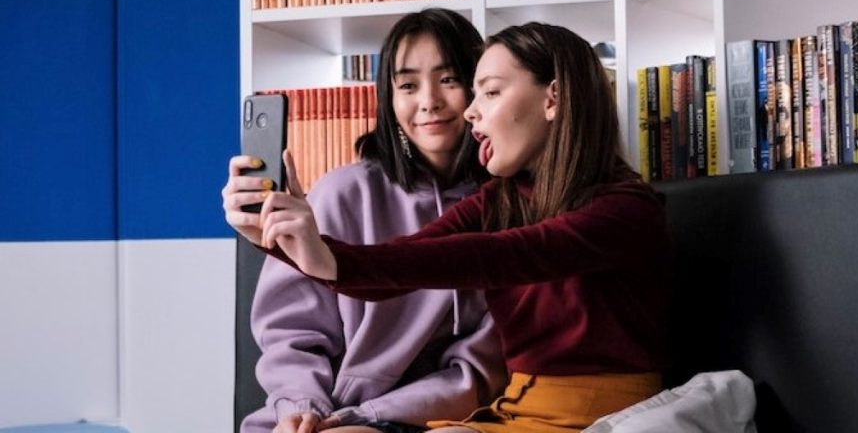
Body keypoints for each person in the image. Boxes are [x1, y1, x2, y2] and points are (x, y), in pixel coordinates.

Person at [229, 22, 672, 433]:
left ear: (552, 99)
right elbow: (407, 259)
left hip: (599, 415)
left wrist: (326, 257)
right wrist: (291, 246)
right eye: (474, 94)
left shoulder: (626, 208)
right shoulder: (503, 198)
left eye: (490, 93)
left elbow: (495, 256)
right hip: (511, 410)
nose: (471, 114)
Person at [224, 8, 507, 433]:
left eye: (449, 80)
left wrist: (365, 417)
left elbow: (481, 365)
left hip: (437, 419)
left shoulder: (509, 208)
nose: (428, 101)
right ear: (388, 100)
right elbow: (291, 334)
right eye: (408, 85)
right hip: (316, 413)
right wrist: (302, 407)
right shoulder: (341, 192)